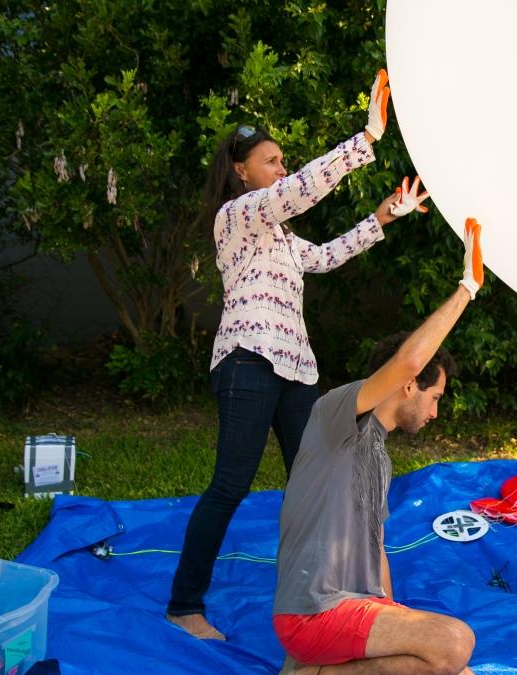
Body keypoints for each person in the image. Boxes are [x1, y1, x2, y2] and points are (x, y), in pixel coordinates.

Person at [168, 70, 431, 640]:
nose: (282, 169)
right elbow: (298, 191)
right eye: (272, 160)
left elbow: (330, 254)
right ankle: (185, 605)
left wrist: (386, 215)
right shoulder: (236, 218)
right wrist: (365, 142)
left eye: (284, 161)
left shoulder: (284, 240)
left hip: (297, 372)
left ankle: (328, 595)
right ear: (242, 171)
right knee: (230, 484)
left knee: (318, 481)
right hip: (246, 362)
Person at [272, 219, 484, 674]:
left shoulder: (379, 457)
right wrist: (467, 287)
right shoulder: (336, 417)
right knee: (455, 639)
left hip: (356, 610)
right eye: (435, 398)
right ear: (409, 385)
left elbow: (377, 544)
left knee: (452, 669)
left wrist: (395, 620)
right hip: (314, 611)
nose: (435, 413)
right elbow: (410, 358)